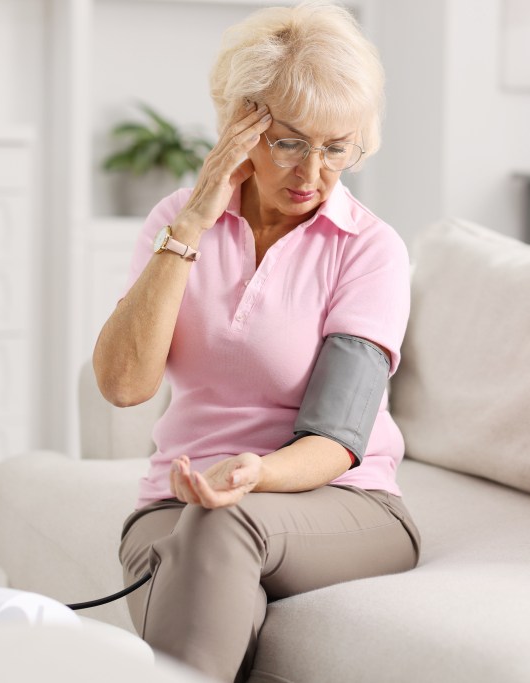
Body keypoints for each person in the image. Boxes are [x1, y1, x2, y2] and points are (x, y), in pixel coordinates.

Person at [92, 3, 420, 681]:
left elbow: (339, 435)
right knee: (195, 547)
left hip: (346, 501)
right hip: (175, 502)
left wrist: (255, 473)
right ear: (241, 128)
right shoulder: (175, 222)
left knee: (219, 527)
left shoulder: (368, 249)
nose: (314, 174)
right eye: (290, 142)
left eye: (338, 147)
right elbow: (124, 385)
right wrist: (193, 220)